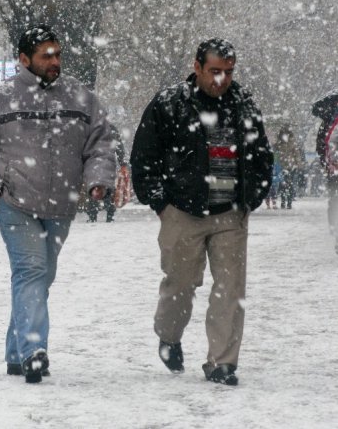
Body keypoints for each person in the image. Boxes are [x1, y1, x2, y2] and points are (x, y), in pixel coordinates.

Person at [0, 24, 117, 383]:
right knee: (31, 271)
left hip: (62, 203)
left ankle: (15, 351)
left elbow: (101, 144)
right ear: (23, 59)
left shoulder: (80, 98)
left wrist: (97, 181)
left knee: (42, 277)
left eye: (57, 54)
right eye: (46, 55)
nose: (54, 61)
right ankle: (33, 351)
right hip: (15, 202)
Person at [131, 38, 273, 386]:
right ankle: (169, 335)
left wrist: (250, 198)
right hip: (182, 211)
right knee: (180, 284)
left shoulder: (243, 104)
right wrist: (160, 203)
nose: (221, 79)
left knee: (230, 289)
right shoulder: (169, 104)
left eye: (228, 72)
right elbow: (144, 156)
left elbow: (261, 156)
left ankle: (222, 363)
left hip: (230, 214)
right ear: (197, 68)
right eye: (214, 72)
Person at [86, 123, 129, 222]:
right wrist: (122, 162)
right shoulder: (111, 129)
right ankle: (110, 215)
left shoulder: (90, 128)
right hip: (107, 163)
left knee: (94, 187)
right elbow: (119, 147)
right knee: (108, 188)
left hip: (94, 163)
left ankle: (93, 216)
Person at [312, 97, 338, 251]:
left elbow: (320, 146)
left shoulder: (328, 121)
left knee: (335, 201)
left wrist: (327, 164)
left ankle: (336, 232)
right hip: (334, 169)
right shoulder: (331, 122)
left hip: (333, 171)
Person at [275, 126, 304, 209]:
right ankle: (284, 202)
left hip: (291, 167)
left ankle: (289, 202)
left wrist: (298, 165)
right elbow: (276, 155)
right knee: (283, 185)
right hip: (281, 167)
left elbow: (297, 155)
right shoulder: (278, 144)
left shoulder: (292, 143)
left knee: (289, 184)